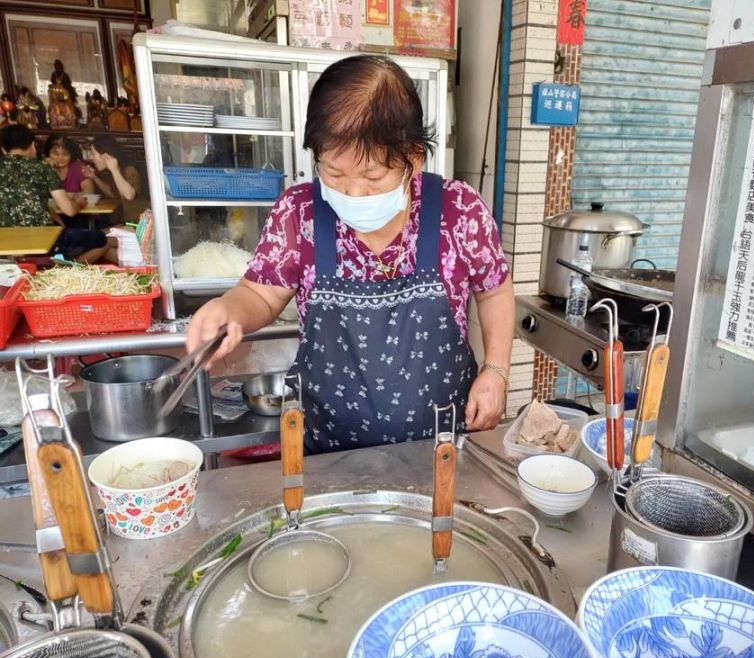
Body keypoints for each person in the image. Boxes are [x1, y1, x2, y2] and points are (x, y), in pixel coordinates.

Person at [187, 54, 513, 454]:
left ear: (413, 157)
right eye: (334, 173)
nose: (352, 193)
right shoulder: (300, 212)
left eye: (372, 176)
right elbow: (260, 293)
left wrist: (496, 370)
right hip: (329, 453)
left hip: (443, 451)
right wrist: (228, 310)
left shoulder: (458, 209)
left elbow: (494, 290)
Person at [0, 125, 114, 263]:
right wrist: (78, 203)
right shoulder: (42, 168)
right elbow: (70, 210)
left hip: (6, 241)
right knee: (102, 239)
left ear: (4, 149)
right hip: (45, 239)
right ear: (32, 146)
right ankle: (67, 269)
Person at [83, 136, 148, 224]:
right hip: (127, 222)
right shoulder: (116, 171)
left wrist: (114, 170)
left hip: (140, 224)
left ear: (106, 155)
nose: (91, 157)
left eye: (93, 154)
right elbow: (112, 193)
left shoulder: (129, 169)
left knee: (100, 235)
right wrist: (94, 177)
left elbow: (129, 195)